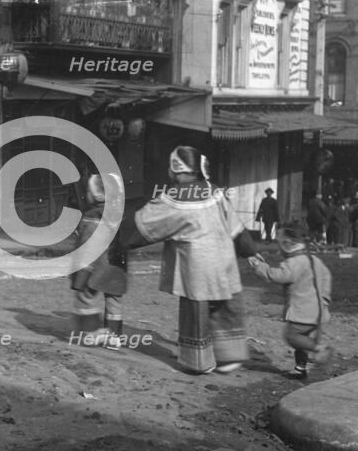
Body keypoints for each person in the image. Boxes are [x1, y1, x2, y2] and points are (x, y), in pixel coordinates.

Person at [120, 146, 258, 374]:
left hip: (197, 266)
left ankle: (198, 362)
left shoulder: (172, 198)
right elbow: (236, 227)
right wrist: (250, 251)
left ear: (176, 169)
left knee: (197, 312)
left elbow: (143, 226)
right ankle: (230, 358)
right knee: (225, 306)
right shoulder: (213, 191)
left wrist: (118, 237)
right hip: (224, 260)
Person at [249, 222, 332, 380]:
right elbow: (326, 277)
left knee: (292, 336)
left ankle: (320, 349)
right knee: (302, 341)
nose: (278, 247)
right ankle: (300, 368)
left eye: (279, 242)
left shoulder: (294, 263)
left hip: (303, 312)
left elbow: (278, 276)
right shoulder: (314, 260)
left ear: (288, 244)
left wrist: (259, 267)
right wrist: (325, 299)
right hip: (318, 310)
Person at [70, 174, 127, 350]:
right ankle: (114, 337)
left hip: (95, 267)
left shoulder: (90, 216)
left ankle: (91, 333)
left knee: (86, 296)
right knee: (114, 301)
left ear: (96, 195)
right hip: (117, 267)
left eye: (89, 190)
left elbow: (85, 244)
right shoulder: (120, 215)